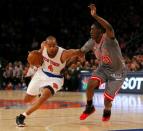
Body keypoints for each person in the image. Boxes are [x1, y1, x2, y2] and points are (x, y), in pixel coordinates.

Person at [16, 36, 82, 127]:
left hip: (55, 78)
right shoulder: (43, 46)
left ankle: (22, 116)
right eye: (50, 46)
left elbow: (79, 51)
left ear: (57, 45)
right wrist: (32, 62)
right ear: (46, 45)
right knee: (27, 100)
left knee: (44, 96)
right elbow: (35, 57)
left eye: (54, 46)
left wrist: (82, 55)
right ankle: (41, 90)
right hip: (41, 73)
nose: (52, 48)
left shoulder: (63, 53)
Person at [79, 4, 127, 121]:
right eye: (90, 29)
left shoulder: (109, 38)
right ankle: (89, 106)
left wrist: (95, 16)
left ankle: (107, 110)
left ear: (100, 31)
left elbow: (109, 27)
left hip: (118, 72)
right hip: (104, 69)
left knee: (107, 100)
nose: (90, 31)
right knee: (90, 84)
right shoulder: (91, 42)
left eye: (93, 29)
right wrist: (75, 56)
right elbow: (80, 51)